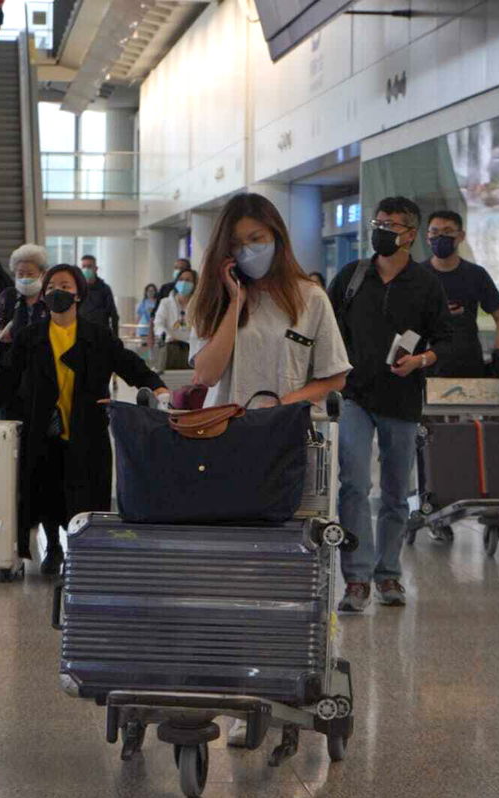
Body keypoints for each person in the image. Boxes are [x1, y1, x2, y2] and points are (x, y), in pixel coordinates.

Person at [0, 264, 169, 574]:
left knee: (85, 494)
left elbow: (128, 363)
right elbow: (7, 375)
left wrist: (155, 384)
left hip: (85, 428)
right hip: (44, 428)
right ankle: (52, 547)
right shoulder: (31, 336)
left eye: (65, 287)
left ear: (79, 294)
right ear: (43, 295)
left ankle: (82, 551)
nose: (57, 293)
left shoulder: (97, 335)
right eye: (51, 287)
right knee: (46, 489)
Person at [329, 196, 454, 611]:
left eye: (392, 225)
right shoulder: (352, 276)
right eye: (377, 222)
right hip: (355, 396)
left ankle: (389, 574)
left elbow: (446, 338)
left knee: (397, 492)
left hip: (401, 399)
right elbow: (327, 331)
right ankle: (357, 578)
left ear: (410, 235)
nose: (381, 230)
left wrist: (420, 360)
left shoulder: (425, 283)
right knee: (354, 484)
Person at [189, 193, 350, 409]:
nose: (247, 251)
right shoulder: (215, 297)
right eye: (237, 244)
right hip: (223, 430)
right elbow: (206, 376)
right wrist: (236, 302)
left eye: (256, 239)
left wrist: (282, 404)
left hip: (282, 429)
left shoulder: (311, 298)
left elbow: (335, 377)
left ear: (276, 237)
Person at [424, 210, 499, 377]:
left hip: (468, 363)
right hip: (426, 364)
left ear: (461, 236)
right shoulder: (418, 275)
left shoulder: (476, 275)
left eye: (448, 232)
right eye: (434, 232)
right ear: (427, 237)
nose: (440, 237)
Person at [0, 244, 50, 356]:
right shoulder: (8, 295)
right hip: (11, 358)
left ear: (42, 274)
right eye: (20, 274)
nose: (25, 278)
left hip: (43, 359)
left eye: (30, 274)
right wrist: (1, 335)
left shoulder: (49, 297)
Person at [154, 268, 196, 370]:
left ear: (194, 284)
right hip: (170, 348)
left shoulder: (198, 305)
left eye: (188, 280)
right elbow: (158, 324)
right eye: (181, 279)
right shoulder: (166, 303)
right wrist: (168, 337)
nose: (184, 282)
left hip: (192, 350)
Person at [76, 254, 119, 336]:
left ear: (95, 269)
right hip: (82, 333)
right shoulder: (78, 288)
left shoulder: (104, 289)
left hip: (100, 333)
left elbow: (113, 314)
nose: (86, 269)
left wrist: (115, 336)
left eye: (89, 266)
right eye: (84, 266)